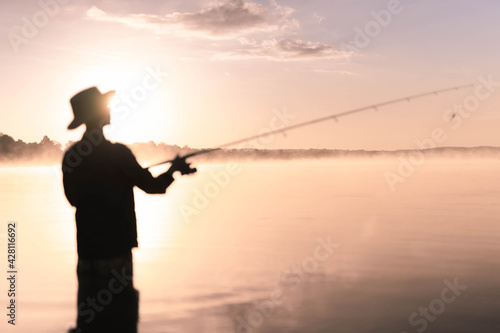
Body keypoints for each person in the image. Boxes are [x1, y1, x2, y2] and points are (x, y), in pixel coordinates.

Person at [62, 86, 196, 333]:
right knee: (121, 320)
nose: (110, 109)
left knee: (89, 322)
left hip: (87, 255)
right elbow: (153, 187)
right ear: (96, 114)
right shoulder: (118, 154)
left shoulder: (71, 157)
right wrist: (174, 170)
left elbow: (72, 199)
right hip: (116, 252)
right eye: (105, 106)